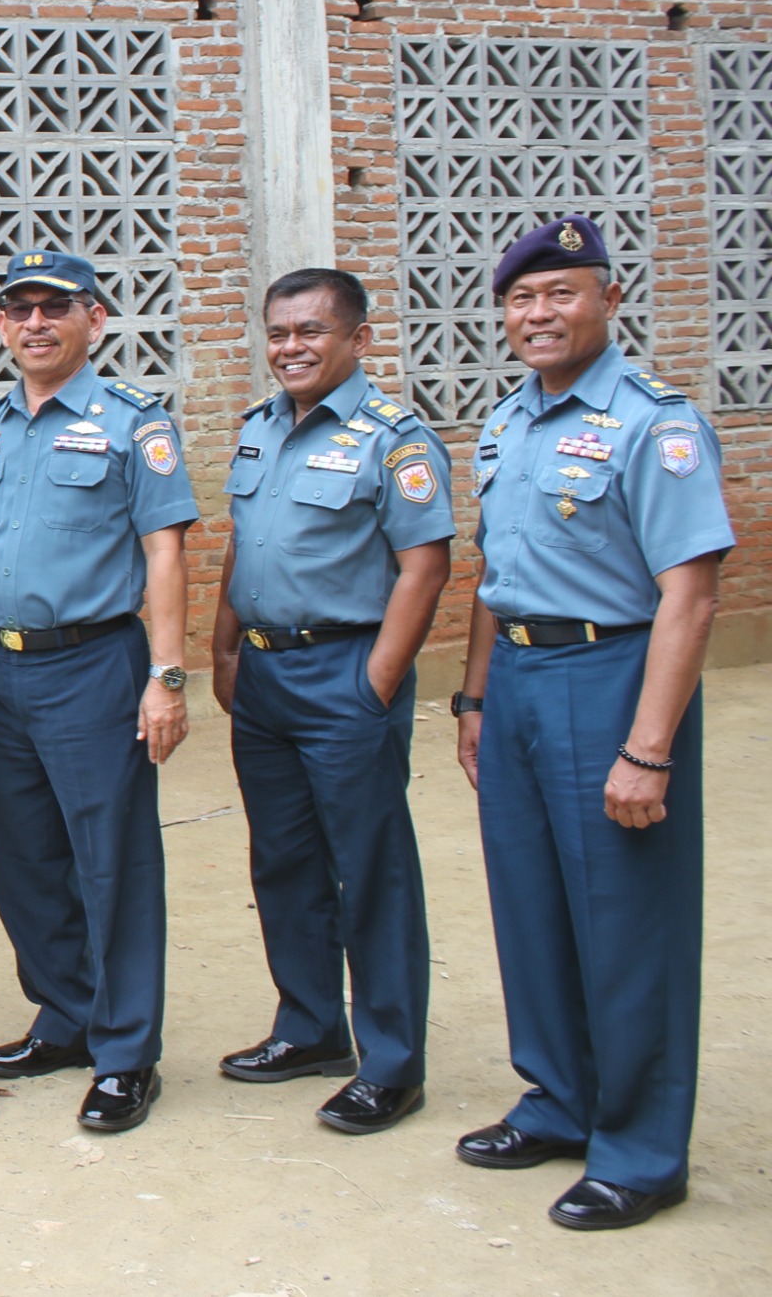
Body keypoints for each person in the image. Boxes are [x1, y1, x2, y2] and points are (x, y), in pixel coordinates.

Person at [451, 216, 732, 1232]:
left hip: (611, 674)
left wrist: (647, 745)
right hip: (520, 676)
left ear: (608, 298)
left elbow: (689, 596)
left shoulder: (654, 425)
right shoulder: (506, 424)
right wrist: (476, 698)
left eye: (560, 292)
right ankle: (558, 1099)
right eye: (522, 299)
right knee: (530, 905)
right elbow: (493, 576)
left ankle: (642, 1148)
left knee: (626, 919)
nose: (538, 313)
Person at [0, 248, 198, 1133]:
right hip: (6, 667)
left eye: (53, 308)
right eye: (18, 309)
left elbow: (166, 550)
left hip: (97, 665)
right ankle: (68, 1017)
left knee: (113, 861)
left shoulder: (134, 423)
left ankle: (129, 1052)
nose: (33, 324)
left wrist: (167, 678)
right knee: (24, 859)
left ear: (94, 320)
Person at [208, 272, 449, 1136]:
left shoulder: (396, 440)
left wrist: (376, 683)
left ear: (359, 339)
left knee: (371, 872)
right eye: (278, 332)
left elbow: (426, 566)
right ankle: (311, 1029)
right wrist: (225, 646)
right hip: (266, 680)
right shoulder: (259, 431)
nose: (291, 348)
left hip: (346, 674)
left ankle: (392, 1064)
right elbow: (245, 545)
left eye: (312, 330)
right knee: (284, 861)